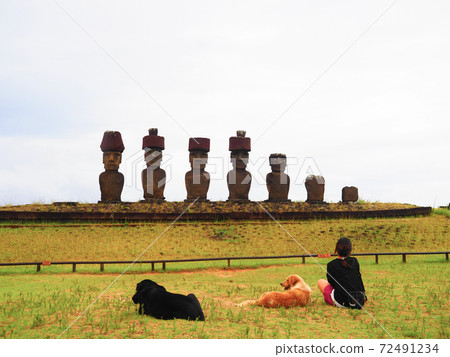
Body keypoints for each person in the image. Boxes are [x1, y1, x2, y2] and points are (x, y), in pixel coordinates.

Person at [318, 237, 367, 309]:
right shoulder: (354, 261)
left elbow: (331, 283)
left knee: (320, 281)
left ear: (336, 249)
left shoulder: (331, 265)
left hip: (341, 301)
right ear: (350, 250)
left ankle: (329, 299)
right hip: (357, 299)